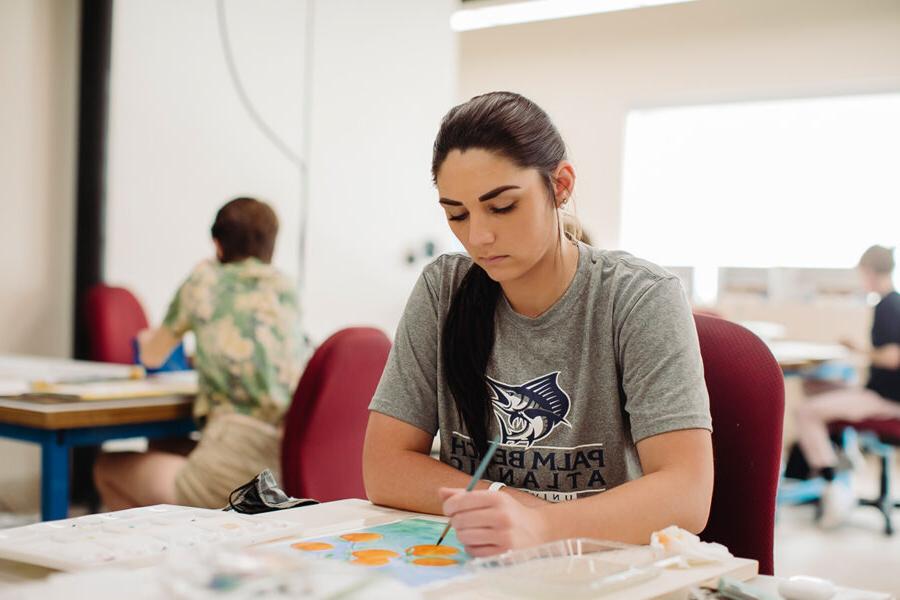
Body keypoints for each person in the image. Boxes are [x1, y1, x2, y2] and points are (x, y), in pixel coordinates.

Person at [363, 92, 713, 557]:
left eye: (503, 206)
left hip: (595, 569)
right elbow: (384, 467)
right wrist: (505, 504)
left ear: (560, 185)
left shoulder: (639, 297)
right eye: (457, 215)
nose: (478, 237)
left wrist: (541, 525)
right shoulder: (443, 289)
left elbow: (687, 493)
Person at [94, 197, 310, 510]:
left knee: (109, 468)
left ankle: (143, 557)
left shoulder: (203, 281)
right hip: (284, 466)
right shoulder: (285, 287)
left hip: (232, 468)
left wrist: (145, 339)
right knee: (166, 446)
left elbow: (153, 355)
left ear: (217, 244)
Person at [794, 245, 900, 528]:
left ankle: (832, 484)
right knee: (815, 388)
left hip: (885, 399)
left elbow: (892, 357)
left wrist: (859, 349)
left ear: (868, 272)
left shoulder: (888, 305)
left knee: (806, 412)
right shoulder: (895, 302)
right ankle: (846, 456)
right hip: (880, 392)